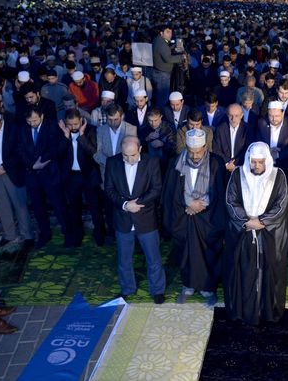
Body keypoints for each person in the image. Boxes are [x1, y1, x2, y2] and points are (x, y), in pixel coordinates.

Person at [223, 142, 288, 324]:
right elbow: (230, 201)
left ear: (267, 160)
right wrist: (247, 221)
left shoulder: (278, 176)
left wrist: (261, 222)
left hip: (269, 233)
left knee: (269, 272)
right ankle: (243, 311)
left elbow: (281, 204)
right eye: (253, 162)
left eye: (260, 162)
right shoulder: (238, 174)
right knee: (244, 270)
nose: (257, 166)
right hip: (243, 232)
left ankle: (267, 311)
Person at [163, 129, 226, 306]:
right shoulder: (176, 162)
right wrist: (187, 204)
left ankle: (208, 288)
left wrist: (202, 203)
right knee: (186, 252)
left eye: (199, 151)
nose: (195, 156)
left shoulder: (216, 162)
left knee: (209, 254)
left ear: (205, 147)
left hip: (208, 217)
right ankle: (188, 285)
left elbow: (220, 191)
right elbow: (171, 192)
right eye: (191, 152)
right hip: (184, 217)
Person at [105, 136, 165, 304]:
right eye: (125, 155)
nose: (128, 159)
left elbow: (157, 189)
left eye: (132, 155)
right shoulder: (112, 162)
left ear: (139, 150)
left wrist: (137, 203)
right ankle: (127, 289)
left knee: (153, 258)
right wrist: (125, 205)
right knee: (124, 259)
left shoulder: (152, 162)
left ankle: (157, 290)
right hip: (123, 219)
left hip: (145, 218)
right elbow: (108, 189)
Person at [18, 105, 68, 249]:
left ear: (41, 116)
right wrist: (33, 165)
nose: (32, 124)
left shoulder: (52, 127)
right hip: (32, 174)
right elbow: (20, 149)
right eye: (29, 121)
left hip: (49, 173)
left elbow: (55, 148)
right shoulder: (23, 128)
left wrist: (42, 162)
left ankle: (67, 232)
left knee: (58, 205)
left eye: (34, 120)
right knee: (38, 207)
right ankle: (45, 234)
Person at [0, 110, 33, 248]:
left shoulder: (14, 130)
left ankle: (27, 235)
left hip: (12, 172)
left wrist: (5, 167)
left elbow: (19, 152)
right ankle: (9, 234)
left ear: (1, 120)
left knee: (20, 205)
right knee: (3, 206)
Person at [58, 110, 101, 247]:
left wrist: (81, 136)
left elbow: (93, 152)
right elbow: (58, 154)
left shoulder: (92, 130)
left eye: (76, 124)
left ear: (81, 121)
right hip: (72, 177)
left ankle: (100, 235)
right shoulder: (61, 132)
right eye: (69, 124)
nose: (73, 127)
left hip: (89, 175)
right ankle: (76, 235)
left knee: (95, 208)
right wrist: (66, 136)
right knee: (74, 209)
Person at [212, 103, 251, 173]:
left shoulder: (247, 129)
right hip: (223, 167)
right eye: (231, 116)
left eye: (236, 116)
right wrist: (227, 163)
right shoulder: (220, 129)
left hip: (242, 166)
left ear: (242, 115)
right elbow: (216, 148)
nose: (233, 119)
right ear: (227, 115)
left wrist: (234, 164)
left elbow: (248, 148)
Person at [151, 26, 183, 109]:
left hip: (157, 71)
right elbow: (168, 59)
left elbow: (162, 52)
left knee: (158, 95)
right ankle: (160, 114)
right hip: (162, 74)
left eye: (171, 32)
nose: (170, 35)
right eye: (167, 32)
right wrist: (181, 57)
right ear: (161, 33)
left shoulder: (157, 39)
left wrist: (170, 48)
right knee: (163, 97)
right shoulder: (162, 43)